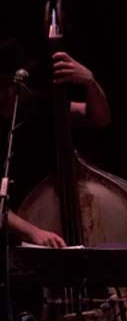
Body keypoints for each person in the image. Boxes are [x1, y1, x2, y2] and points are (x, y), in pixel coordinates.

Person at [0, 38, 111, 247]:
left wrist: (90, 82)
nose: (7, 93)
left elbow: (98, 118)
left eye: (11, 85)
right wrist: (33, 232)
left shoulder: (36, 105)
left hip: (42, 216)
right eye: (2, 85)